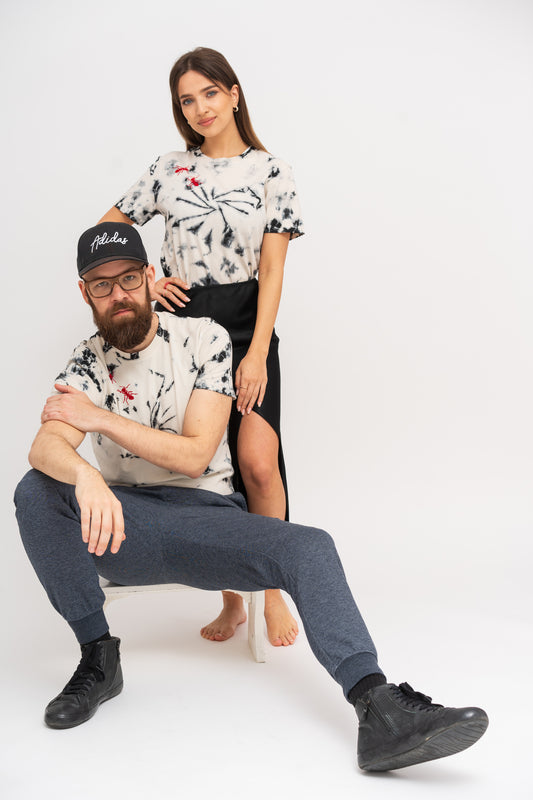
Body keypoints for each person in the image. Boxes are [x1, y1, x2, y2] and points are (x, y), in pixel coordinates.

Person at [14, 223, 489, 773]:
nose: (118, 294)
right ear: (85, 293)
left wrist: (98, 418)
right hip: (127, 528)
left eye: (128, 279)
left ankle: (378, 710)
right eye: (102, 285)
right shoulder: (86, 360)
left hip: (209, 522)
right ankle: (98, 658)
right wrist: (86, 477)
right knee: (36, 489)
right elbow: (44, 445)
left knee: (310, 546)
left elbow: (195, 455)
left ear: (149, 276)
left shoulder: (204, 339)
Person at [99, 47, 302, 648]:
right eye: (187, 100)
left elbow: (273, 270)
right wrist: (147, 280)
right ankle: (232, 599)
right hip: (183, 327)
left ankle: (272, 592)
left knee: (258, 461)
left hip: (246, 323)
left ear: (234, 94)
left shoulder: (272, 171)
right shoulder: (169, 169)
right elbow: (106, 232)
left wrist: (257, 352)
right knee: (209, 463)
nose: (200, 108)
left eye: (209, 93)